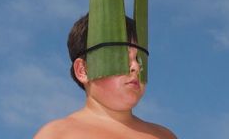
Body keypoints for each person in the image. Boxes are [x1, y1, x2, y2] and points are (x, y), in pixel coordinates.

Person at [34, 13, 177, 139]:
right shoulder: (58, 134)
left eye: (138, 59)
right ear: (83, 70)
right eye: (121, 58)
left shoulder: (164, 135)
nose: (136, 67)